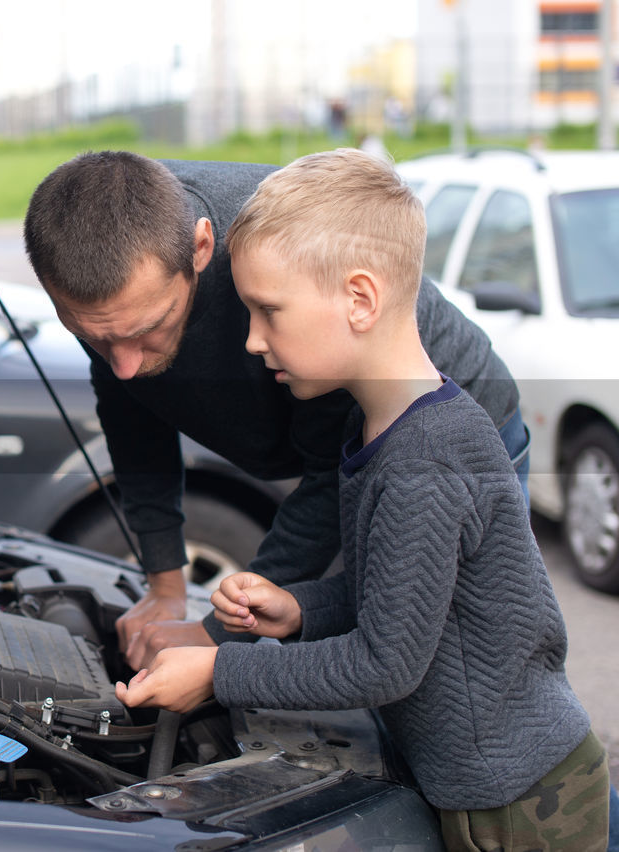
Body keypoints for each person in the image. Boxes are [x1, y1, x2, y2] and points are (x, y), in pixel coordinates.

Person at [115, 148, 610, 850]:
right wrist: (300, 610)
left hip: (519, 799)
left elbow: (386, 662)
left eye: (268, 311)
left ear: (359, 299)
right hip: (480, 776)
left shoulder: (425, 457)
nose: (253, 340)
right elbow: (404, 596)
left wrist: (221, 669)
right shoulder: (379, 430)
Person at [22, 150, 526, 671]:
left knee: (460, 663)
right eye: (93, 338)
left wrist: (216, 644)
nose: (123, 365)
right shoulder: (103, 287)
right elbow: (132, 419)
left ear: (201, 248)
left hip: (430, 433)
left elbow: (329, 487)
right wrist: (165, 586)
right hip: (337, 453)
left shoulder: (281, 270)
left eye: (147, 328)